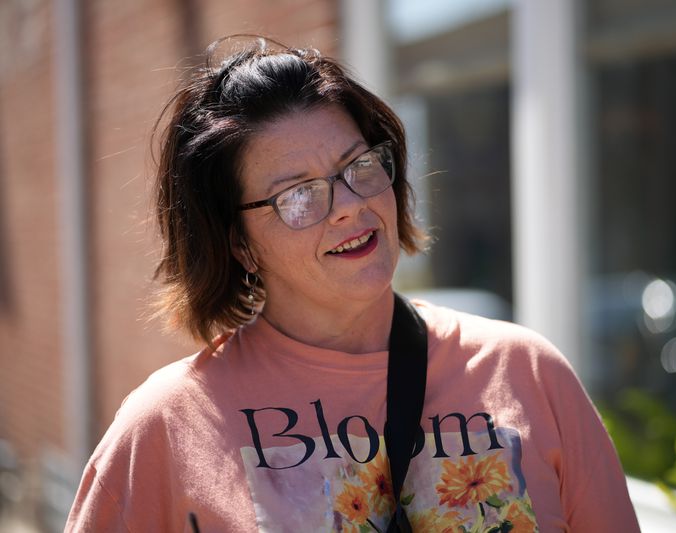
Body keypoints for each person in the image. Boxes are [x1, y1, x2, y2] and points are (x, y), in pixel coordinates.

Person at [65, 36, 639, 532]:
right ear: (237, 242)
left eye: (358, 166)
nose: (349, 206)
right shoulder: (164, 429)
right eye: (298, 194)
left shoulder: (526, 373)